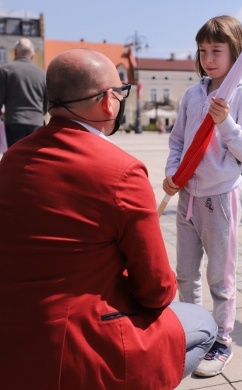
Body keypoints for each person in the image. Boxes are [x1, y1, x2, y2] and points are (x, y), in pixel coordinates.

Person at [0, 48, 218, 390]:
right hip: (84, 349)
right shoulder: (120, 170)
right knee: (203, 324)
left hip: (13, 338)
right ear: (107, 102)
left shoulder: (11, 160)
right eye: (120, 91)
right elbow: (157, 290)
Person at [163, 15, 242, 377]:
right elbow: (178, 142)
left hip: (220, 198)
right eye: (203, 50)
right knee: (185, 274)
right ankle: (194, 332)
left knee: (221, 276)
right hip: (187, 195)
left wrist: (226, 123)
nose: (208, 58)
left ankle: (222, 339)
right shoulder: (193, 93)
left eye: (216, 50)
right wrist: (172, 173)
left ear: (236, 51)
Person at [0, 38, 46, 148]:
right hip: (37, 123)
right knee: (34, 159)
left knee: (16, 159)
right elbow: (46, 104)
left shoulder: (5, 70)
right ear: (33, 55)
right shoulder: (43, 74)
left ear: (15, 52)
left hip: (14, 122)